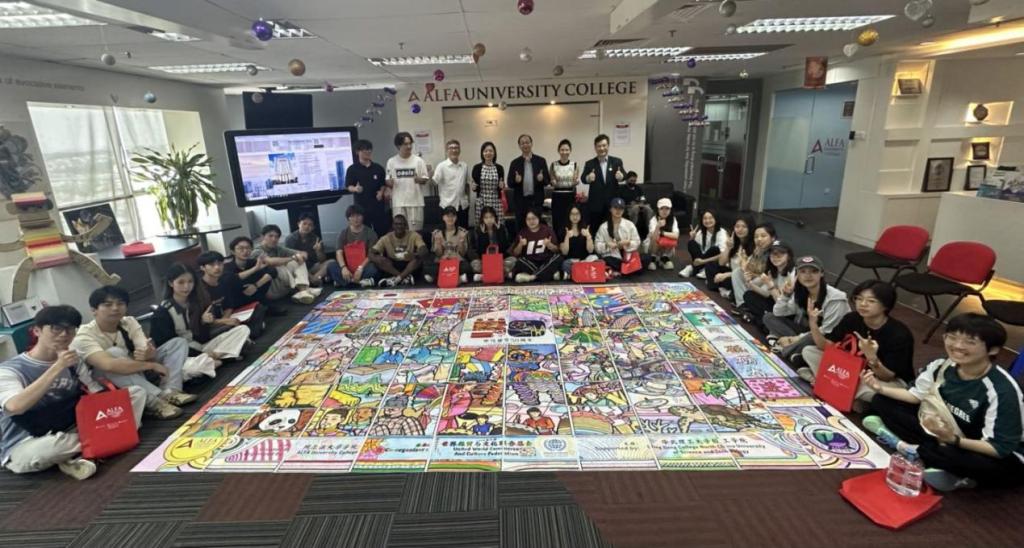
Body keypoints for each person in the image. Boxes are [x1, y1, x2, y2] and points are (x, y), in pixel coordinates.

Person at [863, 314, 1024, 491]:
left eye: (970, 342)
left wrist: (954, 440)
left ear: (993, 350)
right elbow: (915, 396)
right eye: (952, 337)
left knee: (957, 457)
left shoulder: (1002, 390)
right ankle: (923, 455)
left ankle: (915, 450)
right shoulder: (942, 365)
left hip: (985, 449)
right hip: (945, 434)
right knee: (881, 401)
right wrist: (879, 388)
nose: (957, 346)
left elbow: (999, 448)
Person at [1, 306, 145, 479]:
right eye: (56, 328)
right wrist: (58, 367)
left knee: (136, 393)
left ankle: (85, 452)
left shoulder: (74, 360)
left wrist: (112, 409)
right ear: (37, 331)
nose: (64, 335)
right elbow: (15, 406)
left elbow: (95, 393)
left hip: (71, 425)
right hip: (28, 440)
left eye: (70, 329)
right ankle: (108, 440)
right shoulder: (10, 370)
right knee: (51, 448)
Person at [71, 286, 193, 420]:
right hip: (107, 381)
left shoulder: (128, 322)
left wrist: (148, 354)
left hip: (134, 369)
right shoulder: (84, 335)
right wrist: (151, 365)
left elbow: (142, 348)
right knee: (114, 353)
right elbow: (108, 365)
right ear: (94, 310)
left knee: (177, 343)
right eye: (108, 305)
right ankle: (155, 401)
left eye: (120, 303)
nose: (115, 308)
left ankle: (171, 391)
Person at [798, 280, 915, 408]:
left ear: (885, 305)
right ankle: (845, 392)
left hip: (885, 379)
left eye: (871, 301)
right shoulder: (852, 318)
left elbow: (887, 377)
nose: (863, 304)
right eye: (859, 299)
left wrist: (872, 357)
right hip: (850, 371)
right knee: (809, 351)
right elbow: (825, 347)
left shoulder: (899, 334)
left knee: (872, 390)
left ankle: (823, 381)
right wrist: (813, 323)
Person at [150, 263, 252, 364]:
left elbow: (203, 338)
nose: (186, 286)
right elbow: (168, 348)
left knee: (242, 330)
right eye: (181, 282)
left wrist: (203, 322)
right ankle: (222, 358)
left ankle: (217, 358)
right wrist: (200, 355)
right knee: (191, 367)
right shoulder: (163, 312)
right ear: (171, 283)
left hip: (201, 347)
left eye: (190, 281)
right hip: (183, 356)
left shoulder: (196, 302)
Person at [763, 256, 850, 362]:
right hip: (807, 331)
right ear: (797, 275)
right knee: (769, 317)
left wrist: (794, 338)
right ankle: (796, 352)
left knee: (810, 338)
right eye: (803, 272)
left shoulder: (835, 299)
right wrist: (785, 295)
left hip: (826, 339)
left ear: (821, 273)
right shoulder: (801, 291)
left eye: (814, 271)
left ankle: (784, 350)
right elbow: (779, 313)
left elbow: (826, 331)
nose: (808, 276)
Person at [196, 251, 265, 339]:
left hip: (224, 318)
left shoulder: (223, 281)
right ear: (202, 268)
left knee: (258, 307)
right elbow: (200, 321)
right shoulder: (199, 288)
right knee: (232, 327)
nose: (217, 267)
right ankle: (247, 333)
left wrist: (226, 319)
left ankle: (245, 334)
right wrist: (223, 321)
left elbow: (229, 306)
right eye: (211, 265)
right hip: (210, 325)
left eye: (220, 263)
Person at [254, 224, 321, 305]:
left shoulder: (278, 248)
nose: (274, 239)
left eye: (276, 237)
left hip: (283, 287)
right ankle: (304, 290)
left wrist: (301, 256)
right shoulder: (257, 251)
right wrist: (293, 258)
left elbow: (303, 253)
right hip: (271, 290)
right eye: (270, 236)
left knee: (297, 261)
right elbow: (271, 261)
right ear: (262, 237)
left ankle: (303, 291)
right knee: (278, 266)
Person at [740, 241, 795, 329]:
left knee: (767, 315)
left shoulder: (792, 275)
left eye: (780, 254)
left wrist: (770, 286)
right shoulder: (774, 270)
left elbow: (783, 305)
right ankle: (762, 321)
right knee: (749, 295)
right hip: (776, 304)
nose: (775, 257)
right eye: (773, 254)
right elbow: (767, 294)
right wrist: (749, 283)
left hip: (787, 311)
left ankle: (763, 322)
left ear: (788, 256)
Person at [385, 131, 430, 232]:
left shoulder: (419, 161)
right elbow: (388, 180)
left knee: (416, 232)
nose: (409, 146)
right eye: (405, 144)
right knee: (399, 232)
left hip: (415, 202)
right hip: (398, 203)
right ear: (398, 145)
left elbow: (425, 179)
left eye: (410, 143)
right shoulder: (391, 162)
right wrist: (390, 182)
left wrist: (420, 180)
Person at [345, 139, 390, 236]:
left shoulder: (378, 168)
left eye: (369, 149)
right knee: (365, 234)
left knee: (381, 231)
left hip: (378, 206)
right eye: (365, 149)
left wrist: (381, 192)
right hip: (361, 208)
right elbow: (348, 186)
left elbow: (383, 184)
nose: (368, 151)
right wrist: (355, 189)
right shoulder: (352, 169)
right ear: (357, 152)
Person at [224, 236, 280, 312]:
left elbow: (273, 271)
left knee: (266, 276)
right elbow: (232, 279)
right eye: (241, 248)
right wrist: (255, 269)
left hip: (255, 296)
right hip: (236, 302)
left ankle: (261, 305)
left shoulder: (253, 262)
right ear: (233, 251)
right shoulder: (227, 266)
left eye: (248, 248)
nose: (245, 251)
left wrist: (255, 286)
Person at [370, 214, 427, 287]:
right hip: (393, 266)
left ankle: (397, 279)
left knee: (418, 259)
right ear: (393, 226)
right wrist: (378, 258)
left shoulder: (414, 235)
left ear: (406, 226)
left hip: (409, 265)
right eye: (396, 224)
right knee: (378, 259)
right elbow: (371, 253)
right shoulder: (386, 237)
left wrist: (414, 254)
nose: (399, 226)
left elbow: (424, 249)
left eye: (401, 224)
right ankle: (402, 278)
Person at [330, 204, 379, 289]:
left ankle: (345, 282)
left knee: (373, 268)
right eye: (352, 216)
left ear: (363, 217)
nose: (356, 219)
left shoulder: (370, 233)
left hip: (363, 267)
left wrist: (360, 268)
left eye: (358, 215)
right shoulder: (343, 233)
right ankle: (359, 282)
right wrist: (343, 268)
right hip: (348, 267)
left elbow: (371, 255)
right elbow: (339, 252)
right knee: (331, 266)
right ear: (348, 218)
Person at [580, 134, 626, 225]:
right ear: (595, 148)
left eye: (604, 145)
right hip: (595, 205)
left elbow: (625, 175)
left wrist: (621, 177)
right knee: (595, 228)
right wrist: (588, 178)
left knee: (612, 228)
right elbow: (583, 179)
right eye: (599, 146)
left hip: (612, 204)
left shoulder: (616, 161)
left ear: (608, 146)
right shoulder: (590, 163)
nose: (602, 148)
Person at [704, 216, 753, 299]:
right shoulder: (735, 243)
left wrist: (725, 275)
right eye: (737, 226)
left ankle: (721, 288)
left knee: (727, 280)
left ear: (750, 228)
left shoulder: (752, 246)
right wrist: (728, 248)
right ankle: (721, 289)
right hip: (731, 272)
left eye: (744, 227)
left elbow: (747, 271)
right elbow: (721, 263)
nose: (740, 229)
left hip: (742, 277)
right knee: (710, 265)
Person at [508, 134, 551, 229]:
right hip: (520, 202)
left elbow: (547, 180)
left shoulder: (541, 161)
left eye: (527, 142)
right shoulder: (514, 163)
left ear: (531, 144)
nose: (525, 145)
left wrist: (542, 179)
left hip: (536, 202)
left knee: (536, 228)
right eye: (522, 143)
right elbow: (509, 183)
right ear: (519, 146)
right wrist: (516, 180)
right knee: (521, 228)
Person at [731, 222, 777, 309]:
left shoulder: (775, 252)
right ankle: (742, 304)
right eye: (756, 237)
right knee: (737, 272)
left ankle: (744, 302)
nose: (759, 239)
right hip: (756, 281)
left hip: (770, 285)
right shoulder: (758, 250)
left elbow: (767, 276)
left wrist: (751, 278)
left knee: (754, 282)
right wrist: (744, 262)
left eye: (763, 236)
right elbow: (748, 270)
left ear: (773, 238)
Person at [594, 197, 643, 278]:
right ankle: (628, 270)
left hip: (628, 256)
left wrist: (628, 243)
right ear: (611, 209)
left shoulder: (629, 224)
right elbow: (597, 247)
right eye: (615, 208)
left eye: (621, 208)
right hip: (613, 257)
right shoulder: (603, 227)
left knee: (646, 257)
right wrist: (607, 245)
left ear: (623, 210)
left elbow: (637, 242)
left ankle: (623, 270)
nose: (618, 211)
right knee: (607, 260)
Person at [285, 213, 338, 286]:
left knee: (331, 262)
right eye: (304, 224)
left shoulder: (315, 238)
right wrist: (309, 276)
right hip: (298, 268)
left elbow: (322, 260)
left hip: (311, 267)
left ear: (313, 227)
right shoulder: (290, 239)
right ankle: (313, 280)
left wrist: (319, 251)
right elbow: (290, 262)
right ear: (298, 224)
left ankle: (313, 280)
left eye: (310, 225)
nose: (307, 227)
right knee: (292, 266)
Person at [511, 206, 561, 283]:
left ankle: (533, 277)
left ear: (538, 218)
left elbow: (556, 250)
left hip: (545, 261)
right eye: (528, 219)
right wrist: (520, 244)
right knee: (519, 261)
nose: (531, 221)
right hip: (530, 263)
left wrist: (549, 245)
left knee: (558, 258)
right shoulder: (523, 232)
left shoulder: (547, 230)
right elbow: (515, 253)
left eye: (534, 218)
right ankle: (548, 275)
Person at [424, 206, 470, 285]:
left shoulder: (463, 232)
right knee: (428, 268)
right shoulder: (437, 233)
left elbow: (463, 254)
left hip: (457, 262)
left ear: (456, 218)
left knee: (466, 267)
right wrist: (438, 244)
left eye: (452, 216)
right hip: (443, 262)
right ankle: (458, 278)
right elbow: (438, 254)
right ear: (443, 218)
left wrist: (461, 243)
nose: (450, 218)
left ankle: (437, 278)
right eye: (448, 216)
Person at [431, 139, 471, 228]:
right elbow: (434, 183)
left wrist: (468, 200)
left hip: (462, 206)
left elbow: (467, 184)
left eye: (456, 148)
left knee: (463, 231)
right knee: (449, 232)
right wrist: (429, 175)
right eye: (451, 148)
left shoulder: (464, 166)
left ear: (459, 150)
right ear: (447, 151)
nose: (454, 150)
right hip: (447, 206)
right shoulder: (441, 166)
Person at [470, 205, 516, 282]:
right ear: (482, 219)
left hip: (500, 260)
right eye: (486, 217)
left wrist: (499, 232)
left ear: (495, 218)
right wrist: (483, 234)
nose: (489, 220)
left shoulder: (501, 228)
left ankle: (485, 276)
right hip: (485, 261)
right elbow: (478, 250)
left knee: (513, 260)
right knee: (474, 264)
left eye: (491, 217)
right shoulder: (477, 231)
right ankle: (503, 275)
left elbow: (505, 247)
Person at [679, 209, 728, 279]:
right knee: (691, 243)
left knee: (714, 249)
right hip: (702, 257)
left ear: (716, 219)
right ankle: (702, 268)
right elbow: (695, 249)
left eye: (710, 218)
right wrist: (692, 237)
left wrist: (703, 261)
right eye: (705, 218)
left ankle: (693, 268)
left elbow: (722, 255)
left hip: (714, 261)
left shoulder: (721, 233)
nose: (707, 221)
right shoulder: (701, 232)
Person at [549, 139, 579, 239]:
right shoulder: (553, 165)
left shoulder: (574, 165)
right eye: (562, 150)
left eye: (567, 150)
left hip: (570, 195)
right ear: (558, 151)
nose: (564, 152)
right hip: (557, 196)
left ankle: (570, 241)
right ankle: (558, 241)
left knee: (570, 220)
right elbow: (551, 179)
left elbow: (575, 179)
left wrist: (576, 182)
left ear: (570, 151)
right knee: (557, 221)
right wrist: (552, 182)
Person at [559, 205, 598, 280]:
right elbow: (564, 252)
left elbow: (590, 250)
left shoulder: (586, 229)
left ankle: (576, 275)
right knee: (565, 264)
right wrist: (567, 237)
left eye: (577, 214)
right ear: (568, 215)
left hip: (585, 261)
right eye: (572, 214)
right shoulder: (563, 230)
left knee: (598, 261)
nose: (575, 217)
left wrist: (588, 236)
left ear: (581, 215)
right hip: (571, 261)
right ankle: (583, 274)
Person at [471, 141, 506, 222]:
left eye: (490, 151)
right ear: (482, 153)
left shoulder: (499, 168)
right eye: (485, 151)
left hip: (495, 200)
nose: (488, 153)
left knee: (497, 223)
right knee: (482, 224)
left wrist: (502, 186)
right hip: (481, 200)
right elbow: (475, 187)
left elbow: (501, 186)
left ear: (494, 153)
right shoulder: (477, 168)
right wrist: (473, 187)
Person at [644, 198, 679, 271]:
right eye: (662, 208)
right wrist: (657, 227)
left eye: (667, 208)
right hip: (652, 246)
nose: (664, 211)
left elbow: (676, 236)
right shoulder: (653, 220)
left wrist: (662, 233)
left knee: (671, 239)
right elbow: (654, 238)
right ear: (658, 210)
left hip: (666, 246)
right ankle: (653, 257)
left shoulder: (673, 219)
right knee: (655, 238)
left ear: (670, 210)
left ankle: (664, 257)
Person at [618, 171, 653, 241]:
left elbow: (643, 198)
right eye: (631, 181)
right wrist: (630, 203)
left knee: (648, 208)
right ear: (627, 180)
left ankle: (650, 231)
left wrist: (641, 202)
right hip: (628, 207)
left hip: (640, 205)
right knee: (635, 208)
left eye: (634, 181)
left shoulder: (638, 188)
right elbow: (620, 201)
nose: (633, 182)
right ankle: (632, 231)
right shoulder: (622, 189)